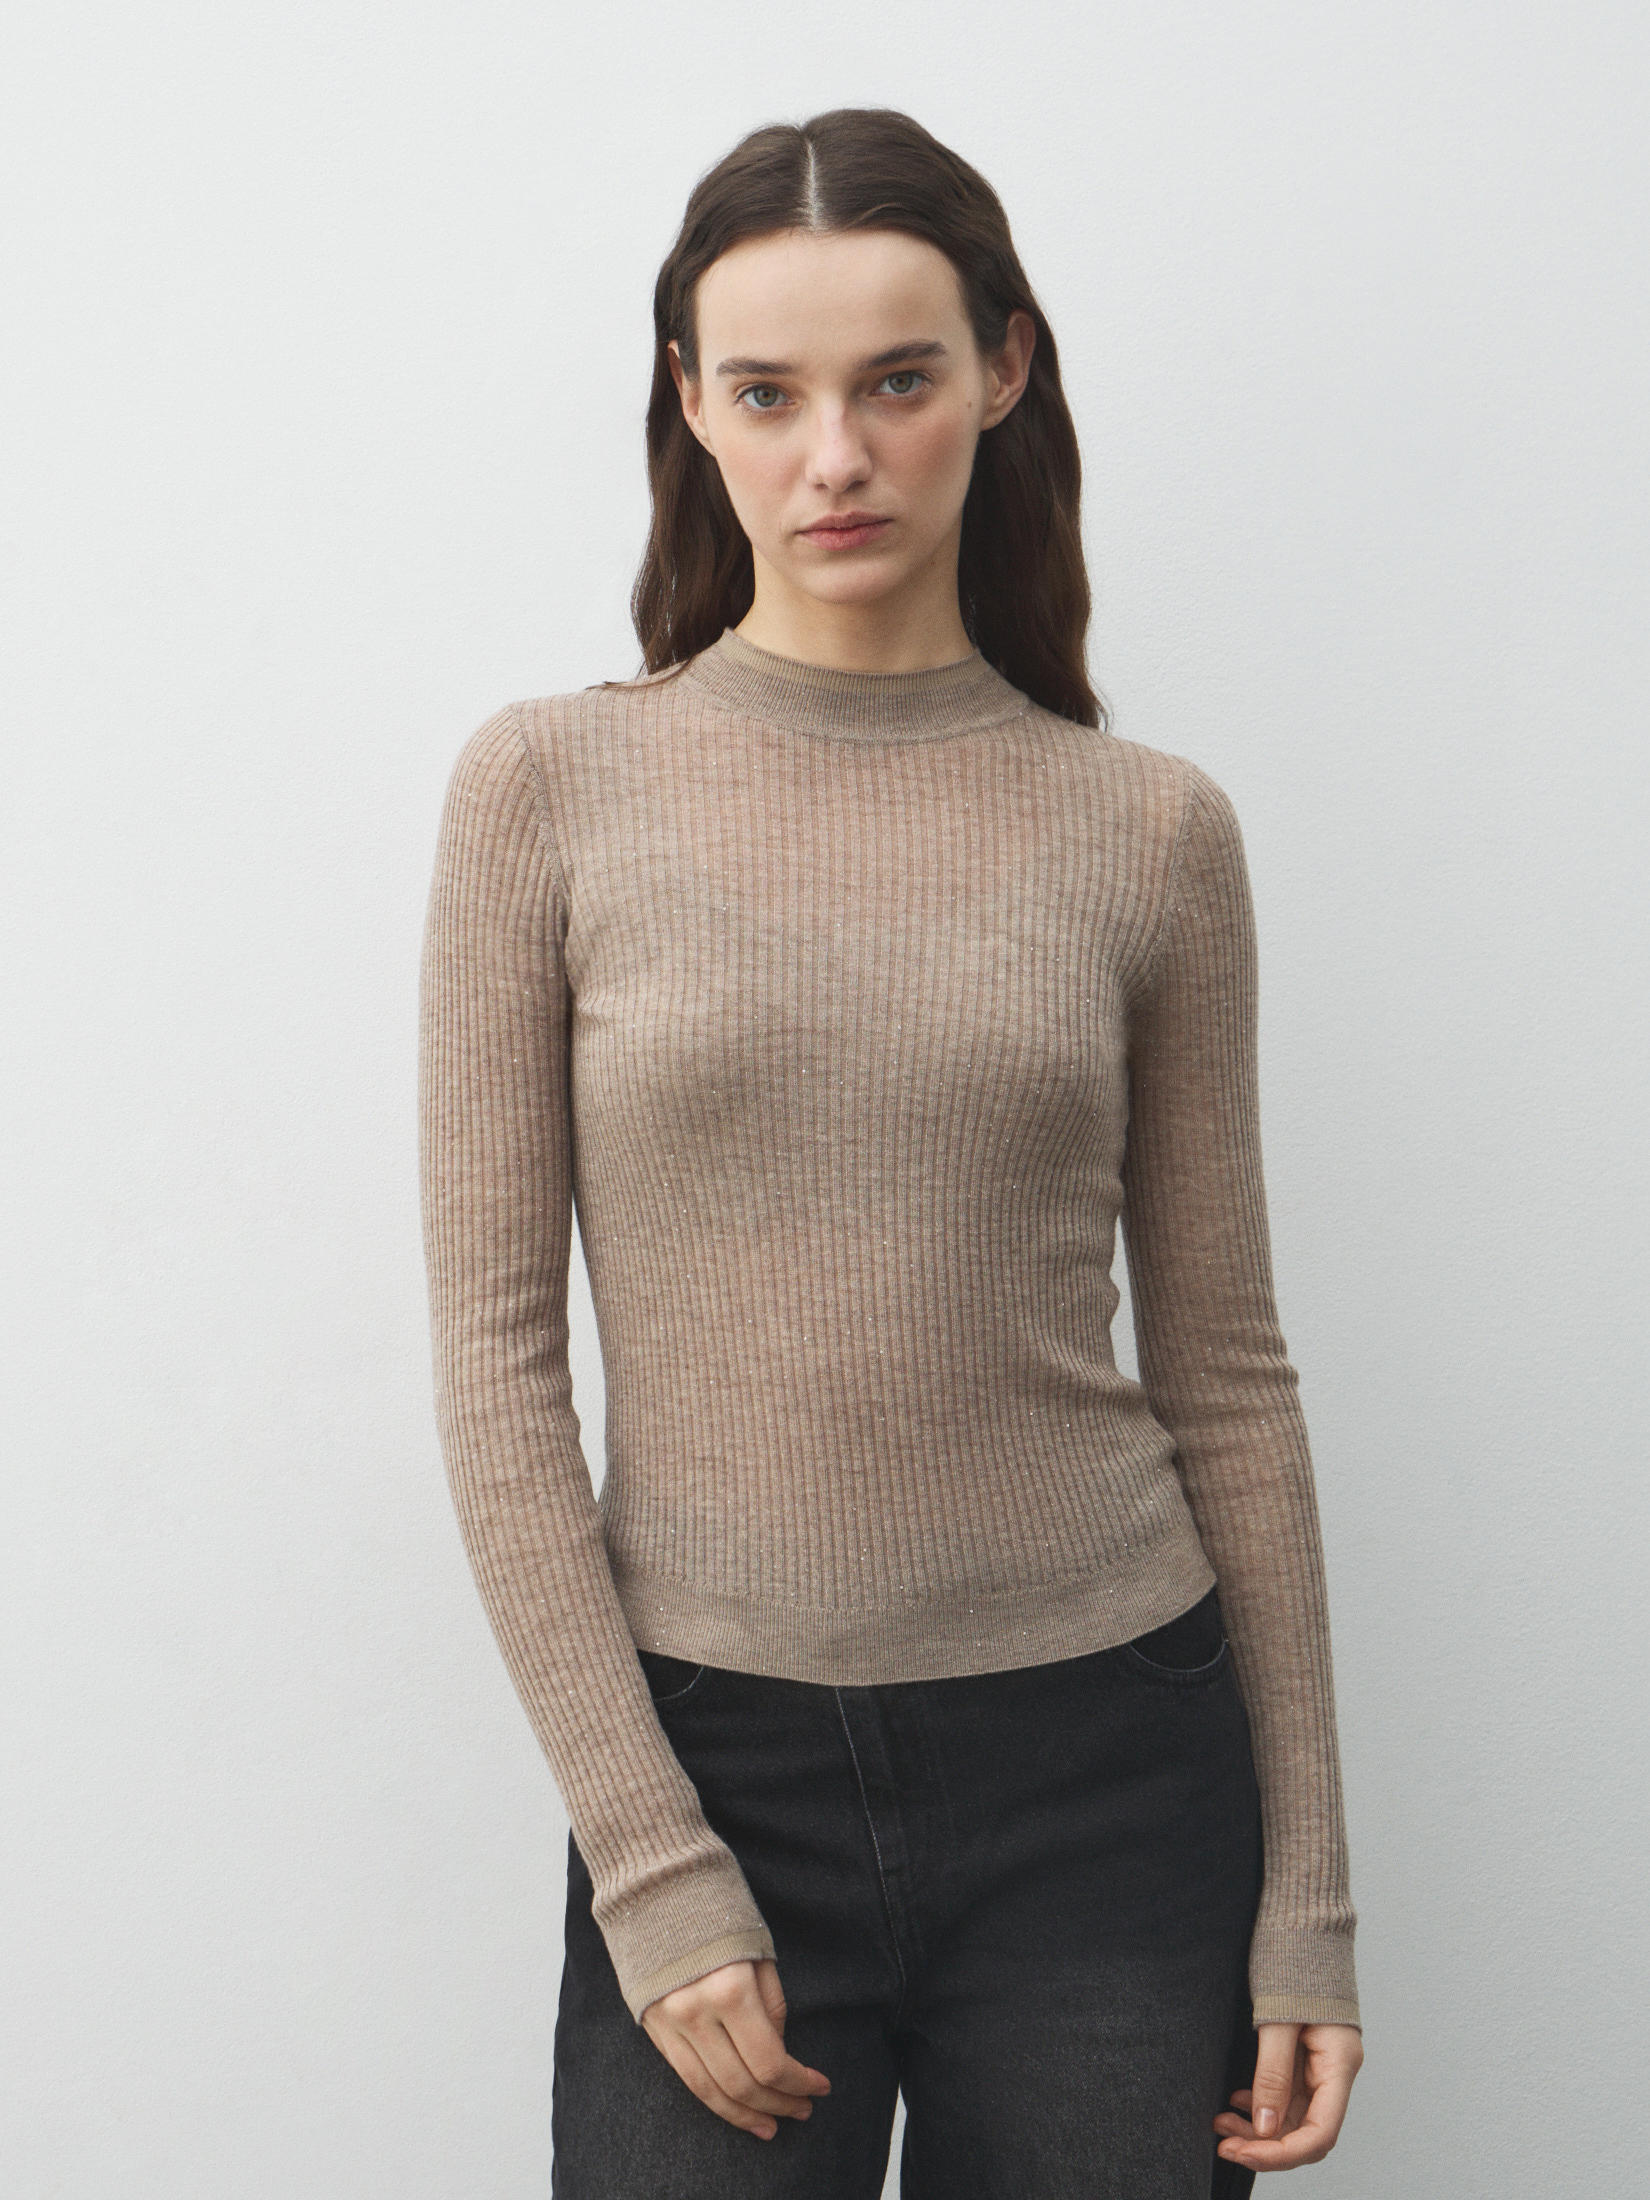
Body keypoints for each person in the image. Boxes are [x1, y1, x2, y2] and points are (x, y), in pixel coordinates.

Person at [418, 106, 1363, 2198]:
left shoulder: (1150, 833)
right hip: (715, 1771)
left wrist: (1308, 1890)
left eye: (898, 380)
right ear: (691, 403)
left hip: (1115, 1774)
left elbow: (1228, 1371)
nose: (833, 455)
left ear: (1004, 371)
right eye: (768, 392)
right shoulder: (547, 793)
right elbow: (494, 1366)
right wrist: (649, 1856)